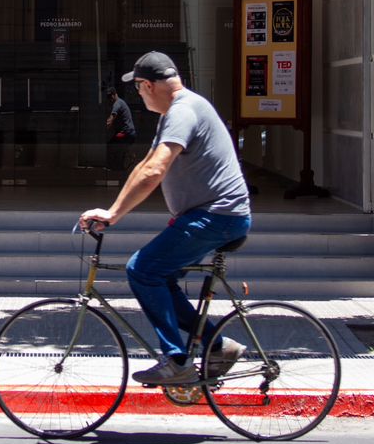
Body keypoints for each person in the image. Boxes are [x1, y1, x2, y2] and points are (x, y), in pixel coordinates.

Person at [79, 51, 251, 386]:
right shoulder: (178, 111)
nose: (138, 95)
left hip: (216, 216)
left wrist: (114, 215)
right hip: (212, 216)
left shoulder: (182, 112)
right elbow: (145, 165)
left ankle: (176, 361)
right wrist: (111, 211)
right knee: (161, 276)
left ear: (147, 85)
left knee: (142, 269)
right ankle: (218, 346)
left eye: (137, 88)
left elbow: (155, 171)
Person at [102, 84, 136, 172]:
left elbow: (112, 117)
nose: (110, 98)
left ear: (115, 94)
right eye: (108, 97)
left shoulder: (117, 104)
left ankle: (116, 166)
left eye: (110, 96)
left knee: (111, 145)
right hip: (128, 132)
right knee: (119, 146)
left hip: (125, 133)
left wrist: (105, 126)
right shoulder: (121, 102)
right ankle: (127, 157)